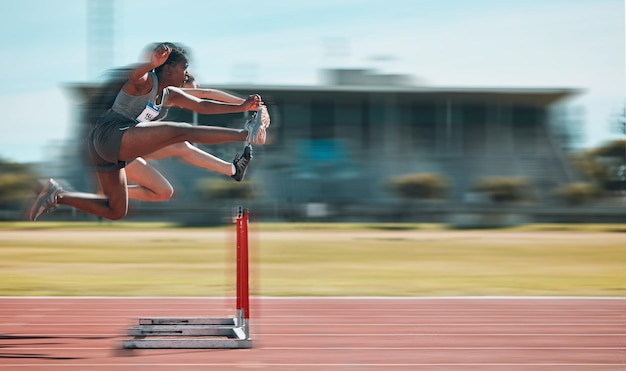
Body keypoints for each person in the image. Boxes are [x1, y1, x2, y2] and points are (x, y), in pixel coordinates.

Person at [29, 42, 269, 221]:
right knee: (180, 134)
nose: (186, 74)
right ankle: (245, 134)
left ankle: (57, 195)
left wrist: (241, 105)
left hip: (113, 150)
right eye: (184, 68)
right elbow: (136, 75)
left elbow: (201, 104)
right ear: (167, 67)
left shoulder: (169, 94)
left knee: (115, 210)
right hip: (111, 134)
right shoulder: (147, 81)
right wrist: (151, 63)